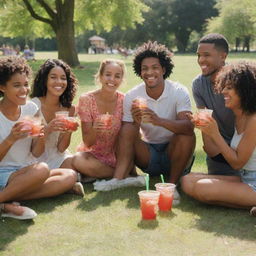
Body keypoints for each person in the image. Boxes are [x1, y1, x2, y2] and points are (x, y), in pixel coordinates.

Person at [96, 41, 195, 200]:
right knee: (127, 128)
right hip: (149, 156)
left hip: (175, 155)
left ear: (163, 69)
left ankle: (171, 186)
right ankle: (117, 179)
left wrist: (158, 120)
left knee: (185, 135)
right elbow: (127, 137)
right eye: (145, 68)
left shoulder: (178, 91)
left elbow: (189, 127)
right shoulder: (133, 95)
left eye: (155, 67)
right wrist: (136, 122)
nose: (150, 72)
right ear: (140, 72)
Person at [0, 56, 77, 220]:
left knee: (70, 176)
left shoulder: (31, 108)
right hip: (4, 172)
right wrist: (11, 139)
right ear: (2, 87)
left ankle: (7, 199)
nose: (24, 90)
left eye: (26, 84)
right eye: (16, 85)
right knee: (42, 169)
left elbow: (36, 153)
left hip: (25, 169)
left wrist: (42, 134)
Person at [182, 61, 256, 216]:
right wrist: (205, 129)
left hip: (253, 183)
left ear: (244, 90)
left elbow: (237, 163)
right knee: (187, 181)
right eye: (224, 87)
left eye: (229, 87)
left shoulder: (253, 120)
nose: (223, 91)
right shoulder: (239, 116)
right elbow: (213, 151)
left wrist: (215, 133)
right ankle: (248, 205)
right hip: (243, 178)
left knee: (203, 187)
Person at [30, 59, 84, 196]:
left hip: (57, 156)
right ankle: (65, 186)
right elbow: (34, 150)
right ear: (45, 80)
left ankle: (62, 184)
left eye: (63, 78)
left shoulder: (69, 109)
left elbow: (61, 148)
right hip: (34, 158)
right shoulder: (33, 106)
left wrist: (69, 131)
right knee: (43, 174)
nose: (59, 82)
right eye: (53, 77)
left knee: (76, 164)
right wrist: (48, 129)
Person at [189, 33, 238, 176]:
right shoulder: (198, 84)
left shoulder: (240, 80)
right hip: (217, 154)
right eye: (199, 55)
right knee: (190, 184)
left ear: (223, 56)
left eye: (206, 55)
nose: (201, 60)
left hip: (246, 150)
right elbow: (209, 144)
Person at [72, 59, 125, 181]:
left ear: (121, 80)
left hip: (118, 155)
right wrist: (95, 128)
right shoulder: (86, 100)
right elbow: (88, 143)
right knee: (77, 160)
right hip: (93, 156)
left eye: (117, 76)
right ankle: (120, 174)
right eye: (108, 75)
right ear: (100, 77)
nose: (112, 79)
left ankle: (98, 174)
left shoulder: (124, 100)